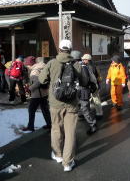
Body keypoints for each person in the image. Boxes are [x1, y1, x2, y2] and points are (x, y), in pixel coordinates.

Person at [39, 40, 80, 172]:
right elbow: (84, 81)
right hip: (72, 103)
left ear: (60, 49)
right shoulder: (76, 64)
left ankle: (58, 155)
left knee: (56, 129)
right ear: (70, 49)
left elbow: (41, 79)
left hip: (55, 102)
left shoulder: (52, 63)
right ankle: (67, 163)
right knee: (70, 132)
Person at [22, 57, 51, 132]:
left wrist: (29, 88)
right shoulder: (42, 67)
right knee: (45, 110)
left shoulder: (34, 71)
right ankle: (49, 124)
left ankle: (30, 126)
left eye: (27, 64)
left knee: (31, 110)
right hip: (44, 92)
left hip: (37, 94)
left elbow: (37, 83)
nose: (27, 66)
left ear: (30, 64)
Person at [78, 53, 98, 135]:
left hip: (83, 90)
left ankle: (93, 125)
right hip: (86, 90)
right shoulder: (88, 66)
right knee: (86, 107)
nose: (82, 60)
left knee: (85, 108)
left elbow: (86, 80)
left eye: (83, 59)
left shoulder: (84, 67)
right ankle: (92, 121)